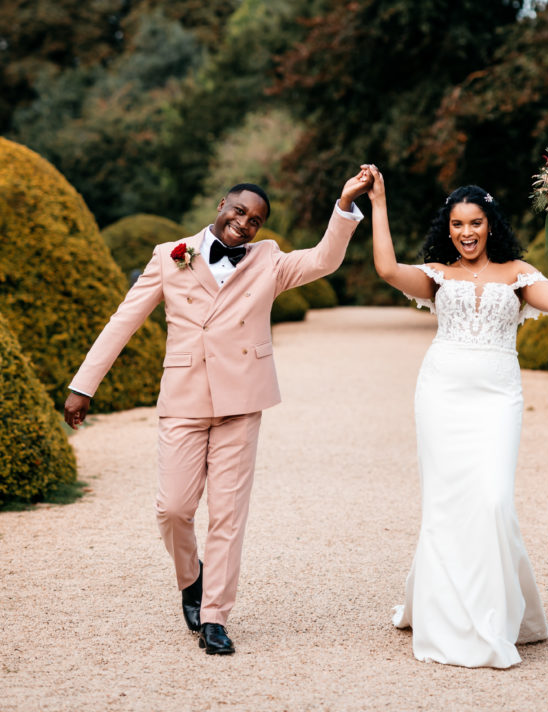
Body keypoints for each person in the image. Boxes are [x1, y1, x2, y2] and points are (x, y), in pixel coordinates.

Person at [64, 171, 371, 655]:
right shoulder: (171, 255)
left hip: (242, 401)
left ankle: (214, 617)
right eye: (239, 211)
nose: (245, 224)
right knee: (173, 509)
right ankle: (192, 579)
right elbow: (125, 318)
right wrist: (84, 384)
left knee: (227, 515)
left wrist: (345, 204)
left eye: (256, 220)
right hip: (183, 399)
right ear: (222, 203)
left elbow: (324, 259)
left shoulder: (268, 259)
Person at [364, 166, 548, 669]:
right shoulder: (437, 275)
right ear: (446, 229)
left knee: (492, 500)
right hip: (441, 394)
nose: (466, 233)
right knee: (446, 504)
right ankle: (445, 614)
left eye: (474, 223)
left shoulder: (517, 272)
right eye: (457, 225)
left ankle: (499, 614)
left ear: (490, 224)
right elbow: (385, 269)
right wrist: (379, 201)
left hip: (497, 397)